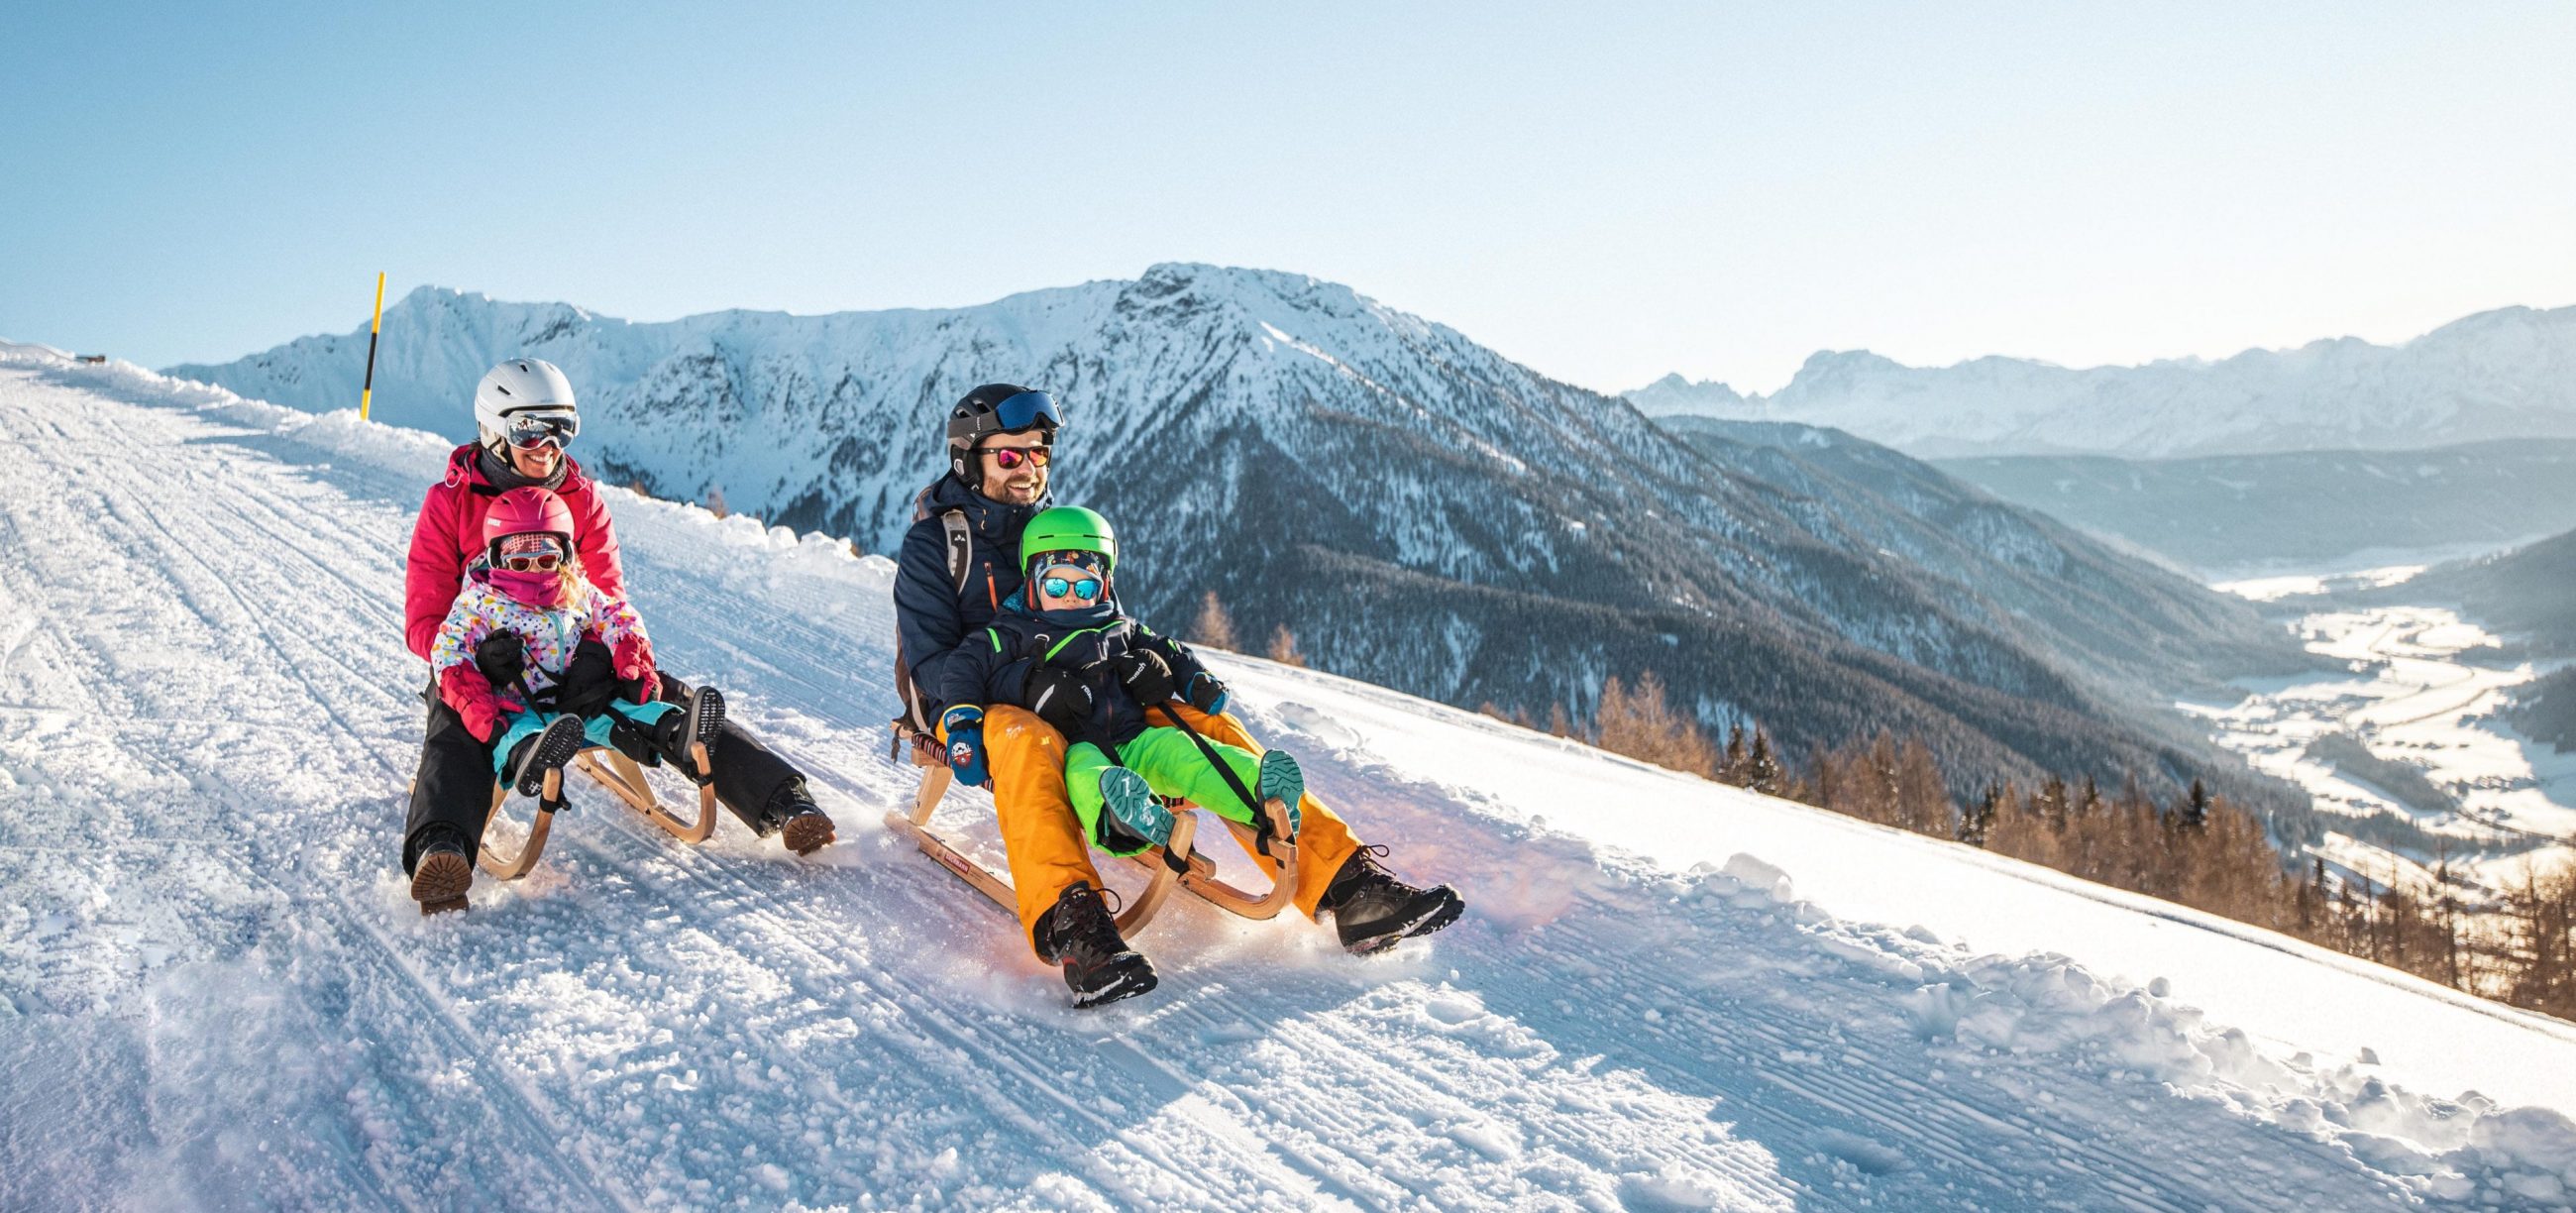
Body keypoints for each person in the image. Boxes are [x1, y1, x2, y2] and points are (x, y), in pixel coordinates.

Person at [893, 385, 1464, 1007]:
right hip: (971, 706)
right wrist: (1025, 686)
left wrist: (1141, 665)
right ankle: (1077, 926)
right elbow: (932, 665)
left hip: (1084, 698)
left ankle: (1345, 885)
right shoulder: (936, 545)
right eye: (1010, 457)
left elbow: (1105, 616)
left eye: (1039, 455)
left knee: (1195, 721)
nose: (1029, 468)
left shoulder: (1054, 526)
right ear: (967, 459)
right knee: (1029, 741)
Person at [400, 359, 833, 912]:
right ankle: (443, 848)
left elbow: (606, 596)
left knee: (662, 697)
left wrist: (604, 653)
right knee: (456, 725)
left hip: (575, 659)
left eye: (562, 430)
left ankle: (784, 801)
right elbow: (425, 620)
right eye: (532, 430)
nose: (549, 446)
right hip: (491, 671)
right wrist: (479, 661)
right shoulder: (451, 502)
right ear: (495, 430)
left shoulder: (581, 498)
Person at [934, 506, 1311, 1005]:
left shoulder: (1121, 627)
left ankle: (1262, 793)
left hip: (1137, 737)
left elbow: (1170, 649)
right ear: (1032, 584)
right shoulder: (1013, 633)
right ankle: (1123, 819)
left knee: (1189, 753)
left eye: (1085, 588)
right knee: (1088, 777)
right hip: (1079, 746)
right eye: (1058, 585)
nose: (1072, 598)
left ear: (1105, 586)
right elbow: (964, 668)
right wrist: (963, 723)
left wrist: (1194, 681)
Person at [410, 487, 727, 910]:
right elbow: (449, 656)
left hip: (579, 703)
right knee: (512, 730)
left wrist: (631, 662)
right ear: (497, 557)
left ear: (563, 555)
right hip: (516, 704)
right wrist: (480, 704)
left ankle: (673, 732)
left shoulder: (578, 590)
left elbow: (620, 617)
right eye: (519, 561)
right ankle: (528, 757)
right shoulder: (480, 603)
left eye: (546, 558)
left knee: (623, 710)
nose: (534, 570)